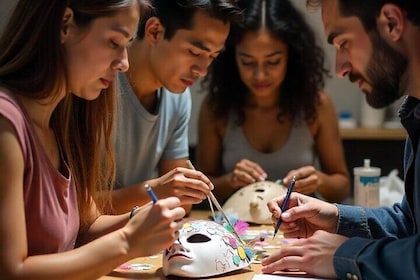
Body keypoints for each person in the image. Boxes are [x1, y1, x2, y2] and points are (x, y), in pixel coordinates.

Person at [0, 1, 187, 279]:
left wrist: (141, 221)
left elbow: (85, 228)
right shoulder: (7, 123)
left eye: (127, 45)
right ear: (65, 24)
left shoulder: (58, 119)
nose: (124, 63)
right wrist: (128, 242)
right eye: (114, 42)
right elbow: (11, 271)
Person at [262, 0, 420, 279]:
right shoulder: (416, 112)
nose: (339, 69)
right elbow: (410, 224)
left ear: (392, 23)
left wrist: (346, 255)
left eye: (343, 43)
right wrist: (336, 217)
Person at [196, 0, 350, 205]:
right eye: (248, 62)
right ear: (231, 59)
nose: (260, 75)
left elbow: (342, 188)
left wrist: (319, 180)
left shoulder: (315, 105)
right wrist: (229, 181)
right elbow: (200, 194)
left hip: (299, 227)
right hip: (238, 228)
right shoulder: (216, 108)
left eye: (273, 61)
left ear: (291, 56)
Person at [110, 0, 243, 214]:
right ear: (155, 31)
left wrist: (171, 190)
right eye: (195, 52)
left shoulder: (178, 98)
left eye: (212, 57)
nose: (202, 70)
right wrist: (156, 190)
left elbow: (182, 201)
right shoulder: (100, 83)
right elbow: (77, 209)